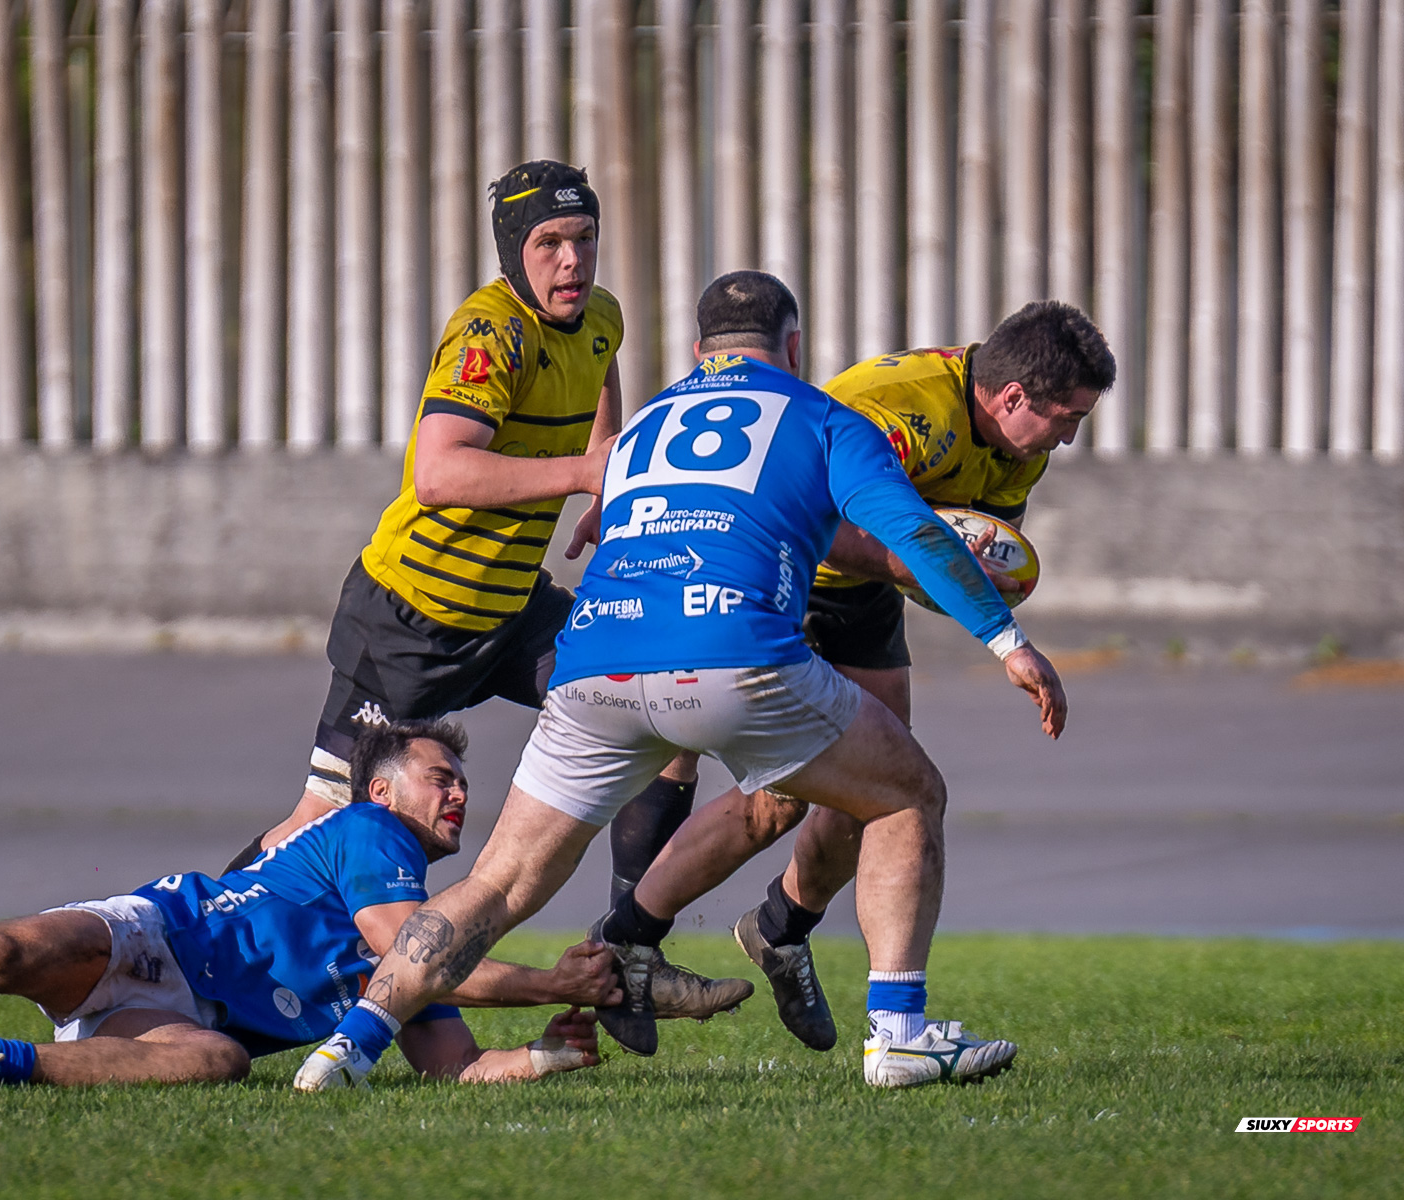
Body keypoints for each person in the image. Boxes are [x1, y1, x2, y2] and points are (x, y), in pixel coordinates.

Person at [291, 271, 1068, 1094]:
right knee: (907, 792)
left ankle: (348, 1048)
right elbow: (911, 528)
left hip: (594, 665)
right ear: (793, 349)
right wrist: (1008, 641)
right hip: (735, 656)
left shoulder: (641, 430)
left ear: (699, 353)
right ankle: (899, 1035)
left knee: (496, 882)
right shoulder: (821, 415)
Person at [228, 158, 725, 996]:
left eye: (584, 239)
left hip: (511, 613)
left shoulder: (599, 315)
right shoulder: (490, 335)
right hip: (411, 621)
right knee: (323, 824)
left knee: (669, 712)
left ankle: (630, 946)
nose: (572, 260)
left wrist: (603, 484)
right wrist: (580, 471)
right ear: (513, 253)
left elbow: (601, 380)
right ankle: (200, 948)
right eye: (550, 243)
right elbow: (439, 474)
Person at [638, 301, 1117, 1055]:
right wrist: (999, 635)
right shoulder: (899, 412)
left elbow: (963, 545)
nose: (1069, 437)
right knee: (781, 801)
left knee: (880, 785)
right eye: (1066, 418)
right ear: (1014, 397)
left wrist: (944, 573)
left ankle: (780, 929)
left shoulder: (1023, 446)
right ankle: (630, 938)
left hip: (861, 591)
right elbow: (820, 516)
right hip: (782, 571)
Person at [0, 721, 619, 1088]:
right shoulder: (378, 844)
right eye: (439, 778)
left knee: (218, 1064)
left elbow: (450, 1062)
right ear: (382, 794)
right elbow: (408, 954)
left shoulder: (421, 934)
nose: (458, 795)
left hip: (190, 1012)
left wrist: (545, 1058)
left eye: (463, 783)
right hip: (162, 940)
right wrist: (546, 980)